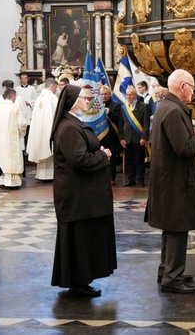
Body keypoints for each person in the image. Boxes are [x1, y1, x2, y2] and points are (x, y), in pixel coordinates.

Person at [50, 85, 117, 297]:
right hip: (77, 195)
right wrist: (103, 156)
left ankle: (80, 280)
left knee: (82, 238)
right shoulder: (69, 127)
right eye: (82, 98)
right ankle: (78, 283)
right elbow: (79, 159)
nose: (86, 101)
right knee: (78, 239)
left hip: (81, 195)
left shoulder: (73, 123)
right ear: (72, 102)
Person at [146, 69, 195, 294]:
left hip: (169, 179)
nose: (193, 91)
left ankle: (169, 271)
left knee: (172, 228)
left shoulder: (167, 106)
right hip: (175, 182)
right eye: (191, 87)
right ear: (182, 86)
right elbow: (184, 147)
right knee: (177, 228)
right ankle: (172, 278)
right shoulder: (173, 111)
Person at [0, 88, 26, 187]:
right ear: (13, 96)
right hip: (12, 139)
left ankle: (1, 180)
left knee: (1, 157)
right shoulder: (15, 107)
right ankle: (12, 183)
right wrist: (22, 134)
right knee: (11, 158)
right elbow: (22, 123)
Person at [27, 78, 58, 181]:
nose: (55, 90)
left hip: (39, 130)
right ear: (53, 86)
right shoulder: (52, 98)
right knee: (48, 149)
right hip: (49, 129)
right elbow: (57, 116)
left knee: (42, 148)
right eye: (56, 88)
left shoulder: (39, 98)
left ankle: (41, 175)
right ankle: (50, 175)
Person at [118, 85, 150, 187]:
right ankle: (130, 179)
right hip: (127, 139)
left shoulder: (144, 106)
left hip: (138, 138)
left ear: (135, 95)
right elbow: (121, 124)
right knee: (129, 161)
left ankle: (140, 180)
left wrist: (144, 137)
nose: (128, 97)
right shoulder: (123, 108)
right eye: (127, 95)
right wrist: (121, 138)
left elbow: (146, 124)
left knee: (139, 161)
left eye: (131, 95)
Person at [100, 85, 121, 185]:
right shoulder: (97, 105)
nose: (104, 96)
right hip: (100, 135)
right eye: (102, 94)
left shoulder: (116, 105)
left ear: (110, 94)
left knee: (111, 158)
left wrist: (109, 112)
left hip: (111, 135)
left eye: (106, 94)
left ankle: (112, 177)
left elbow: (119, 119)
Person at [15, 73, 38, 150]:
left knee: (28, 132)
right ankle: (22, 148)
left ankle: (28, 149)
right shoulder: (16, 89)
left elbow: (36, 100)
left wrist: (29, 102)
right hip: (20, 112)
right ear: (20, 79)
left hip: (29, 112)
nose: (24, 80)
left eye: (25, 78)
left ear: (27, 79)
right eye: (22, 78)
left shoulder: (32, 89)